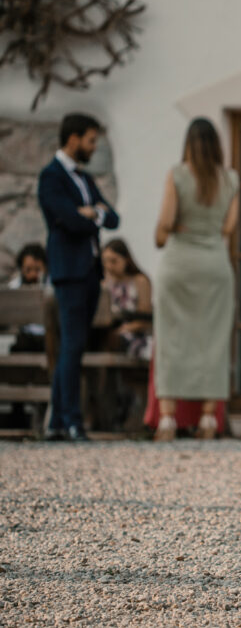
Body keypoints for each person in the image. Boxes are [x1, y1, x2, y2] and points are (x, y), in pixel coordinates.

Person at [152, 117, 238, 441]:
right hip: (214, 264)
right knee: (213, 340)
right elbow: (228, 227)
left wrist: (165, 233)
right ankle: (208, 418)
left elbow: (165, 222)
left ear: (188, 143)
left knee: (171, 337)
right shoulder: (230, 179)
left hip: (180, 262)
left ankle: (167, 419)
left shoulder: (177, 175)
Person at [37, 113, 120, 442]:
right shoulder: (51, 177)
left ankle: (58, 421)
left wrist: (92, 213)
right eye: (90, 140)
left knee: (75, 346)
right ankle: (72, 420)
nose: (94, 147)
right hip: (69, 271)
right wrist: (90, 214)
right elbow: (69, 221)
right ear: (73, 139)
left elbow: (113, 218)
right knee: (71, 345)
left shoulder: (85, 178)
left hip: (90, 273)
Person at [101, 239, 152, 360]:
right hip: (109, 333)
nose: (109, 266)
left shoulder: (140, 281)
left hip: (134, 335)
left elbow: (144, 319)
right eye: (105, 262)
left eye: (114, 261)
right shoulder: (105, 284)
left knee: (110, 340)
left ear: (126, 259)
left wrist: (124, 329)